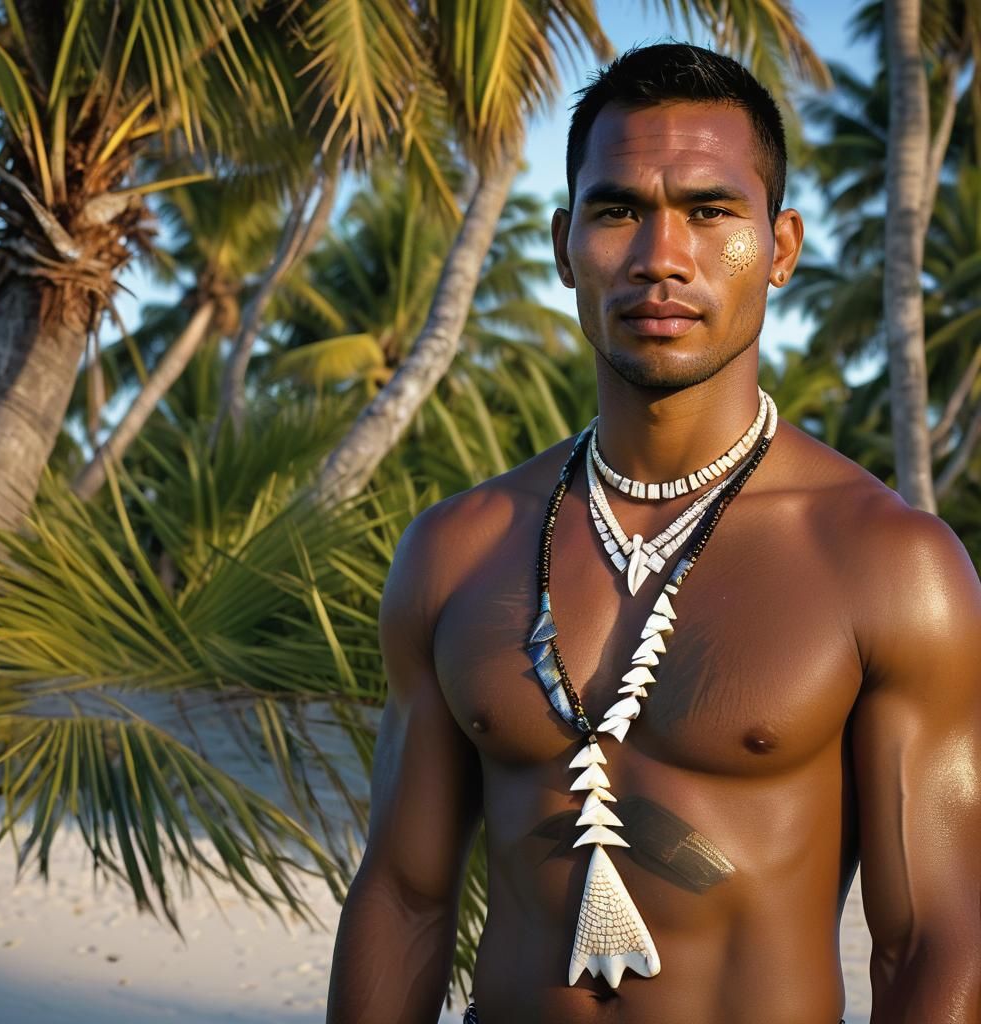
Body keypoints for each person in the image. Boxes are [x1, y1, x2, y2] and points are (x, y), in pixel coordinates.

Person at [325, 43, 981, 1024]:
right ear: (560, 245)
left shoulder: (884, 563)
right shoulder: (456, 551)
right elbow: (404, 898)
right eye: (618, 209)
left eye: (710, 211)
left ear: (782, 246)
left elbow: (932, 942)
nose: (659, 258)